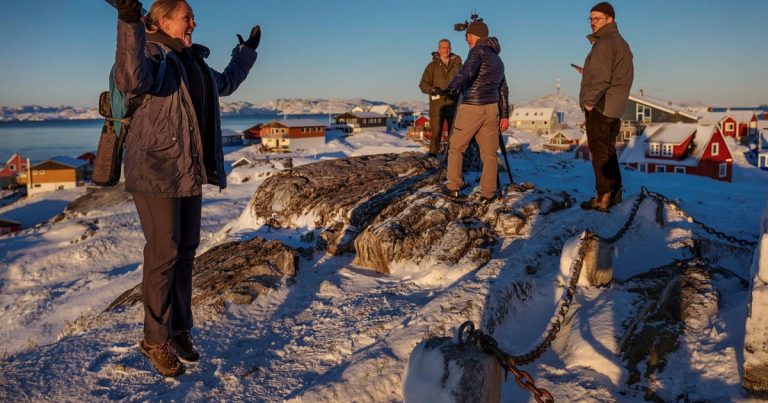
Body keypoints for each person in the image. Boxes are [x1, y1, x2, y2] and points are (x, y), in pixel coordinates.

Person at [114, 0, 259, 376]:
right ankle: (153, 339)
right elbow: (131, 79)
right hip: (155, 169)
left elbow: (222, 84)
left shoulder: (190, 58)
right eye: (186, 17)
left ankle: (178, 329)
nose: (194, 22)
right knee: (164, 252)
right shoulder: (151, 52)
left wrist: (245, 54)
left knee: (185, 251)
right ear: (163, 21)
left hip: (187, 170)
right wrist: (129, 21)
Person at [442, 20, 509, 205]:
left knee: (456, 147)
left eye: (468, 36)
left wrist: (452, 87)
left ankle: (453, 186)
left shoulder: (478, 50)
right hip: (492, 109)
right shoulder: (498, 59)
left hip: (472, 106)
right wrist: (504, 115)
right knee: (489, 154)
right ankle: (488, 193)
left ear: (477, 36)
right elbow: (503, 88)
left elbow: (467, 70)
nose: (467, 40)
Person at [578, 2, 634, 212]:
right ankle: (615, 193)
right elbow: (615, 73)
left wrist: (590, 102)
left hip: (601, 104)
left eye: (597, 18)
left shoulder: (605, 42)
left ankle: (602, 199)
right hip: (614, 105)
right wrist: (589, 72)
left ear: (610, 19)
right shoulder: (619, 42)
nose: (593, 22)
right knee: (609, 151)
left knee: (599, 152)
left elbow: (602, 79)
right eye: (591, 19)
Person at [419, 39, 463, 157]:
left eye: (448, 47)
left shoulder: (458, 64)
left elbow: (465, 81)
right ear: (439, 49)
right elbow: (423, 84)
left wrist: (459, 89)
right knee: (436, 132)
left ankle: (452, 156)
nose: (446, 50)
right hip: (437, 106)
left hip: (453, 104)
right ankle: (433, 154)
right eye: (443, 48)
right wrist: (432, 90)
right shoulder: (432, 66)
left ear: (451, 48)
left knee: (453, 133)